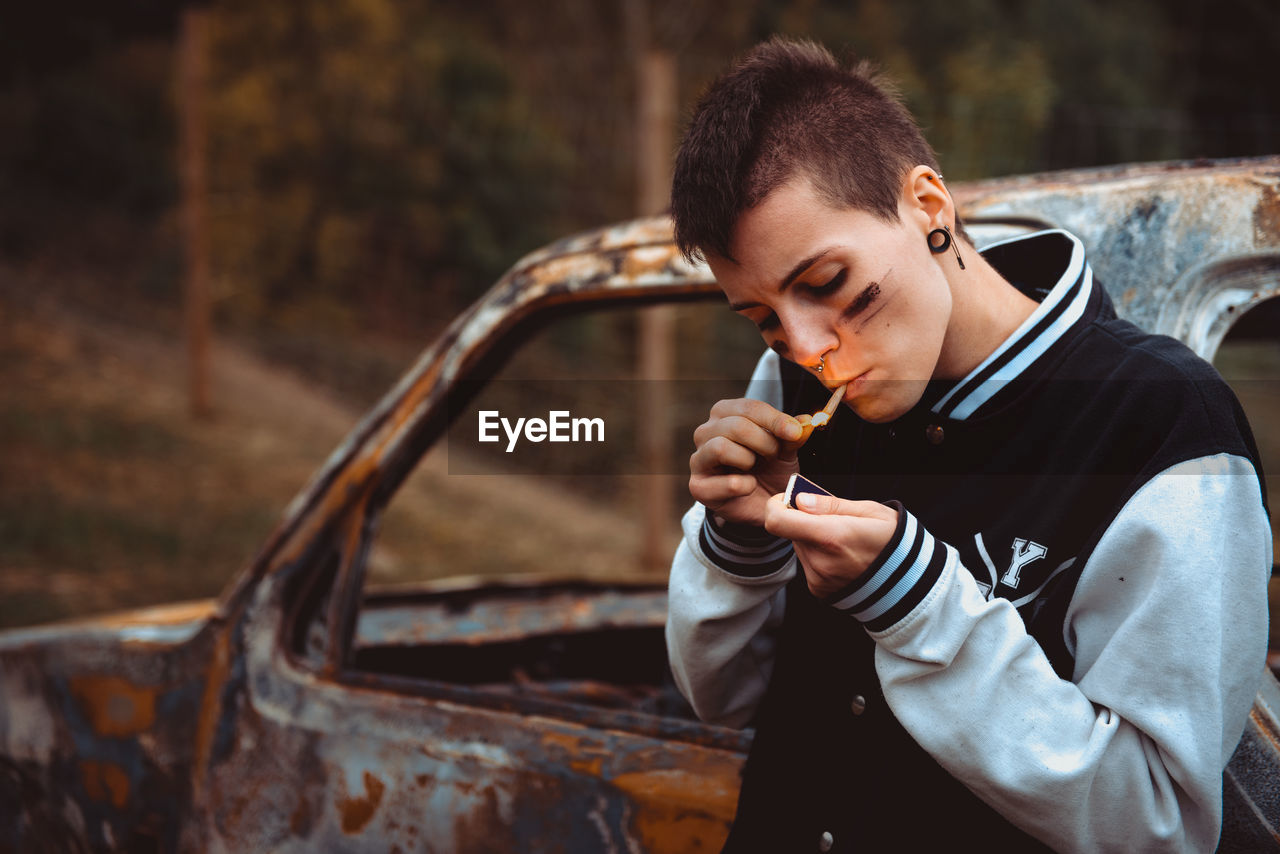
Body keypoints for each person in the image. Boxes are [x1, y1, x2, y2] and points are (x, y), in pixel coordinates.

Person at [664, 36, 1272, 853]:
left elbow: (1160, 823)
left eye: (827, 284)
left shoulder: (1164, 426)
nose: (806, 345)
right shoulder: (793, 384)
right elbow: (725, 701)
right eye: (765, 316)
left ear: (927, 206)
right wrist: (735, 544)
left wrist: (918, 604)